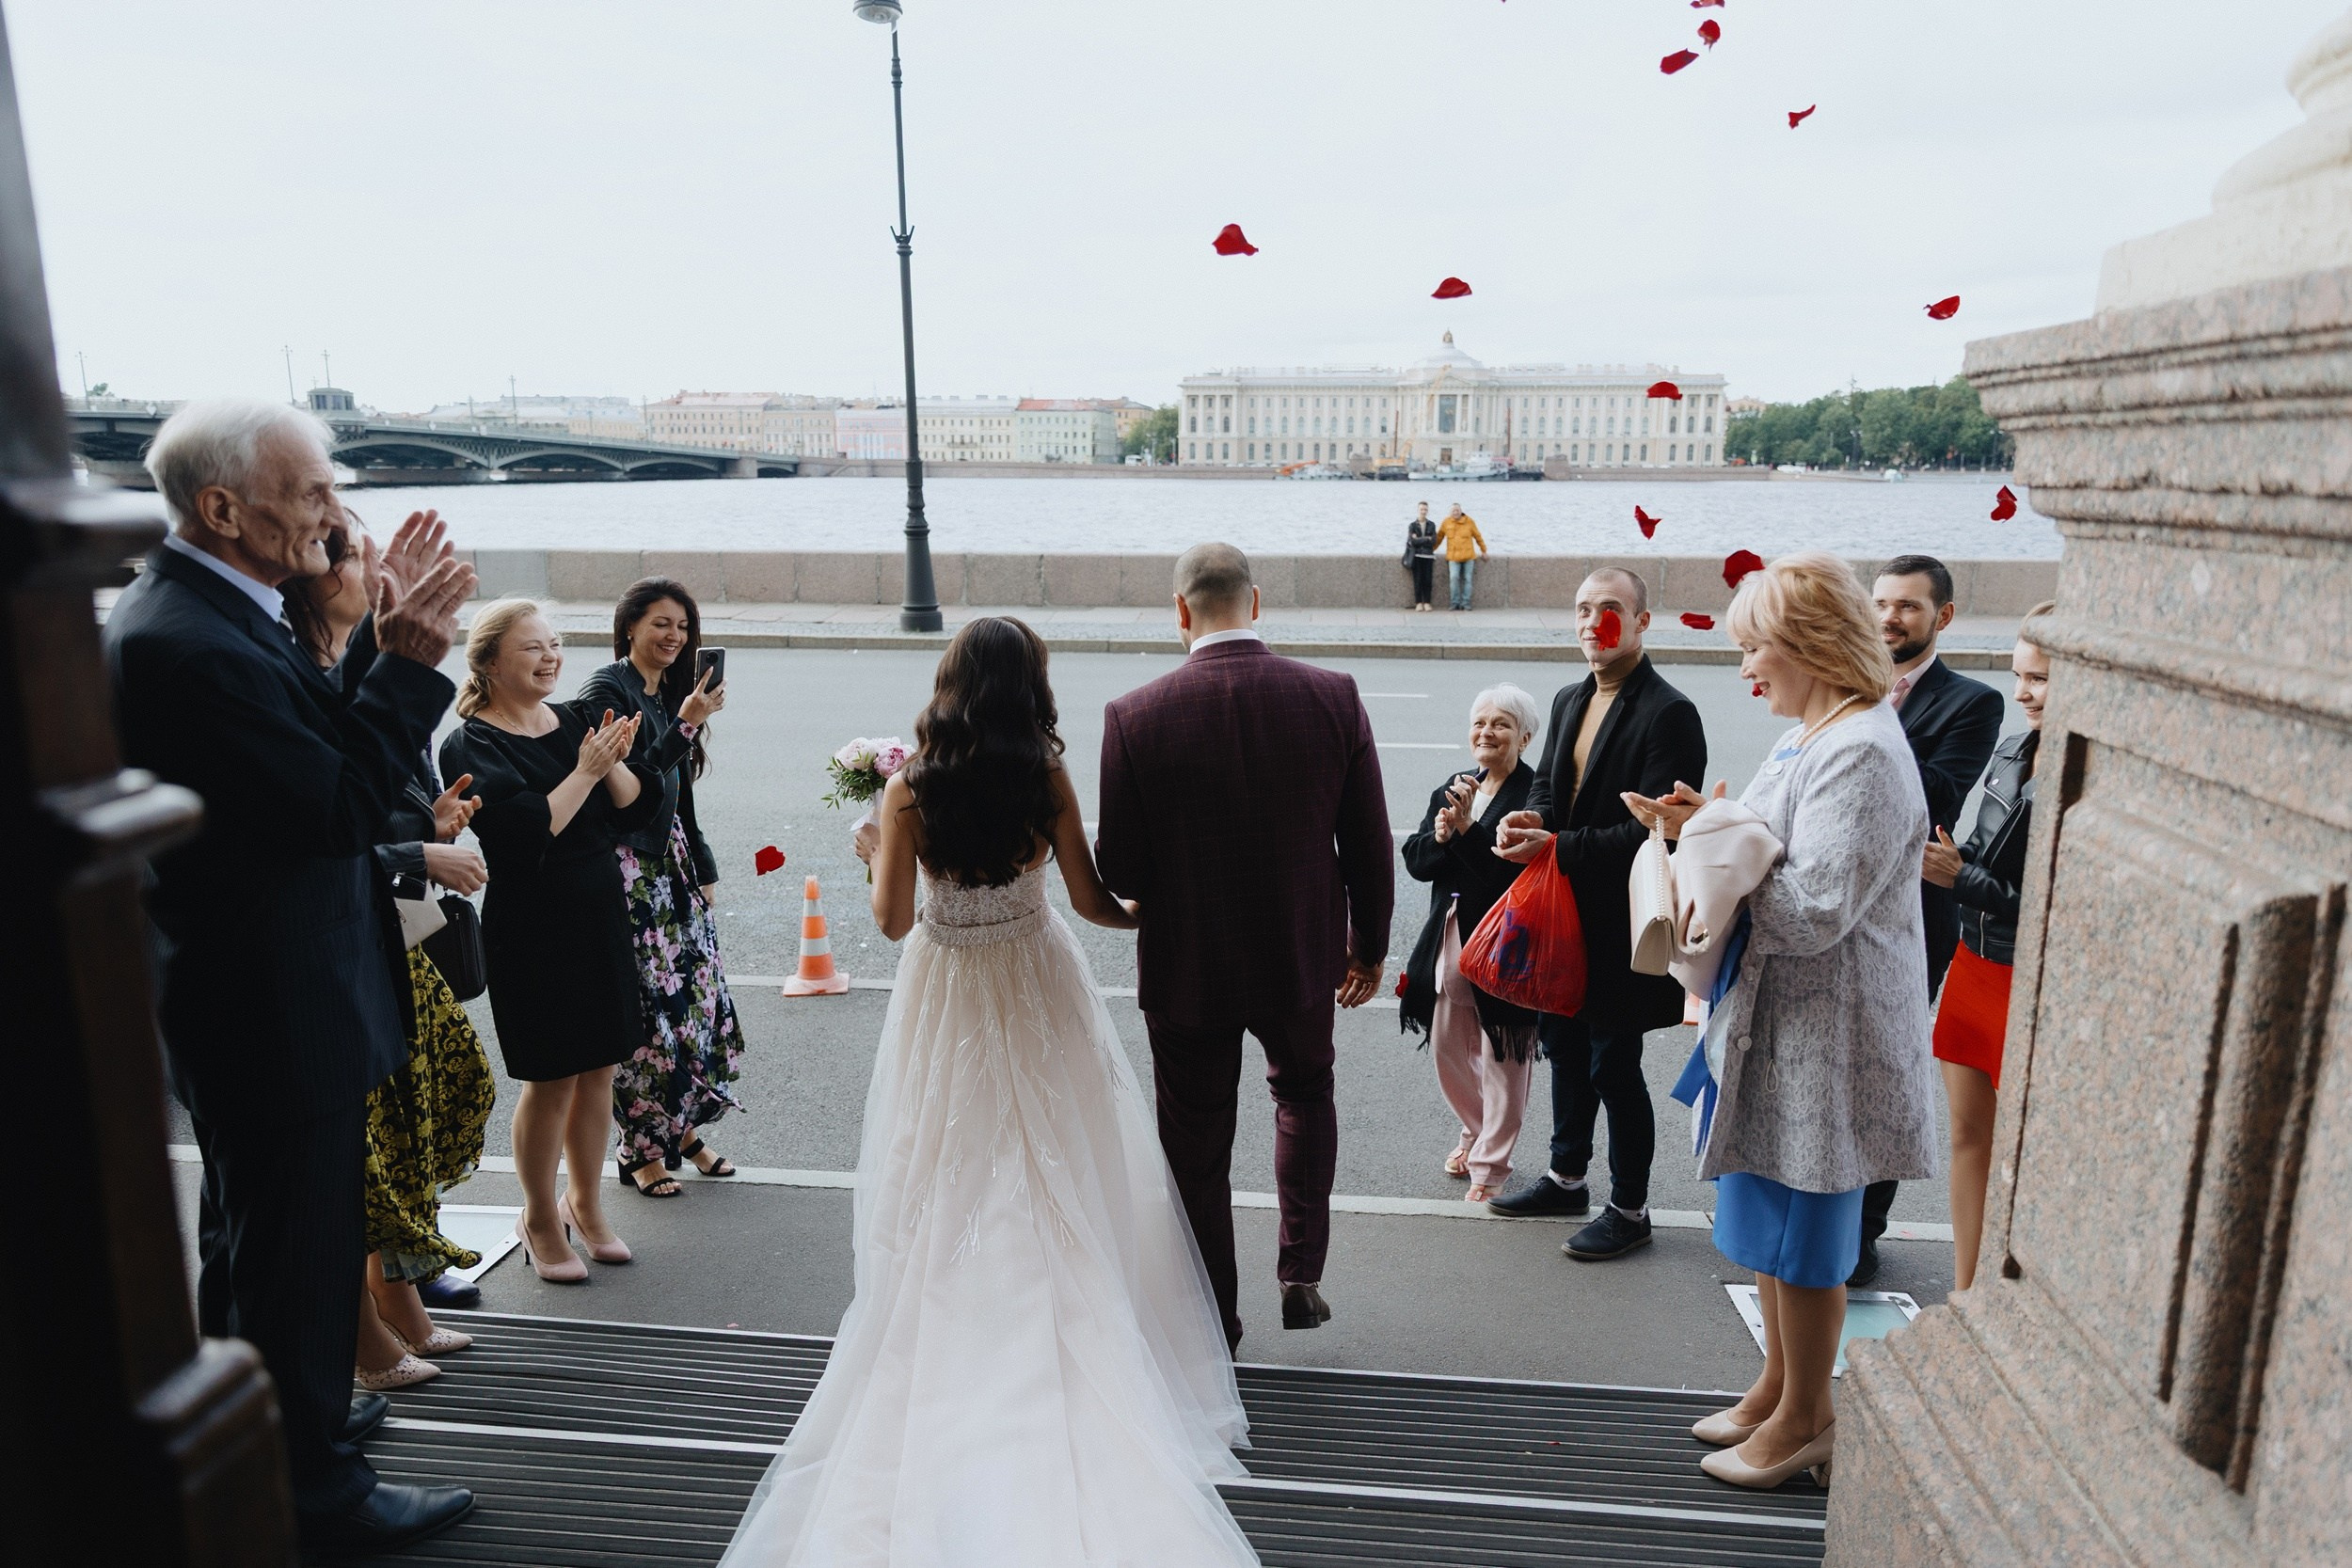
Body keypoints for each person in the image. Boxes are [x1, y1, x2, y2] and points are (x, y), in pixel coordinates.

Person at [733, 618, 1260, 1567]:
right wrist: (1166, 906)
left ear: (948, 684)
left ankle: (960, 1312)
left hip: (949, 987)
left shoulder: (907, 789)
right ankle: (1070, 1305)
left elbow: (892, 923)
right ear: (1031, 689)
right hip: (1034, 973)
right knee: (1060, 1143)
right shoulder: (1044, 777)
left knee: (949, 1158)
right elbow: (1094, 901)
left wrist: (869, 852)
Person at [102, 400, 477, 1555]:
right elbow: (336, 805)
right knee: (295, 1253)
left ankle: (275, 1428)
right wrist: (410, 663)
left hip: (271, 990)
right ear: (223, 508)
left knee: (257, 1243)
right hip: (271, 1000)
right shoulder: (187, 642)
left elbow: (313, 740)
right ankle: (308, 1493)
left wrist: (370, 638)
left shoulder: (216, 611)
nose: (334, 510)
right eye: (313, 490)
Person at [1627, 551, 1938, 1492]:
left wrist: (1712, 852)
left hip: (1825, 1034)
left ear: (1808, 645)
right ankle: (1779, 1385)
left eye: (1756, 646)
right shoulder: (1819, 730)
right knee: (1769, 1212)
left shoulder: (1858, 749)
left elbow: (1811, 907)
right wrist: (1706, 831)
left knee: (1804, 1234)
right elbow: (1771, 847)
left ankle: (1808, 1415)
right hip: (1787, 1024)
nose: (1746, 667)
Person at [1096, 544, 1393, 1346]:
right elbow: (1368, 838)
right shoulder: (1331, 696)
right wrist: (1367, 947)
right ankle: (1301, 1271)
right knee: (1304, 1095)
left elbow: (1119, 865)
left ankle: (1213, 1320)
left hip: (1187, 962)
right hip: (1300, 953)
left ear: (1181, 610)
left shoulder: (1135, 714)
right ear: (1254, 603)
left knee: (1195, 1145)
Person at [284, 515, 496, 1393]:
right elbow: (308, 830)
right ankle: (367, 1336)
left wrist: (425, 825)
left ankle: (397, 1292)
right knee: (356, 1159)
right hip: (326, 950)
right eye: (366, 558)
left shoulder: (339, 662)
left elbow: (367, 800)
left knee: (433, 1107)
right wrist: (419, 852)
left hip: (376, 936)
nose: (383, 572)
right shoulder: (275, 660)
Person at [1489, 569, 1708, 1262]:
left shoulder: (1669, 711)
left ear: (1643, 622)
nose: (1593, 622)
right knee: (1564, 1050)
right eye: (1583, 609)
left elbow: (1656, 833)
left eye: (1609, 610)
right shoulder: (1569, 697)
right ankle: (1566, 1175)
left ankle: (1631, 1207)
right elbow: (1555, 792)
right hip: (1566, 917)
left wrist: (1558, 842)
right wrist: (1532, 820)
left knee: (1615, 1063)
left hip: (1624, 922)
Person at [438, 601, 659, 1284]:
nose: (550, 656)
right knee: (552, 1075)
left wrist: (612, 761)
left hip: (598, 909)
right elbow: (523, 832)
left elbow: (640, 806)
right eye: (532, 646)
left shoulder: (576, 719)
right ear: (491, 662)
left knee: (600, 1068)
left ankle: (587, 1205)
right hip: (532, 922)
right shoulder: (471, 741)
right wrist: (588, 769)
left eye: (555, 643)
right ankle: (538, 1216)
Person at [1852, 554, 2005, 1285]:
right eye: (1881, 603)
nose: (1889, 618)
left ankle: (1864, 1227)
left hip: (1915, 916)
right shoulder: (1845, 680)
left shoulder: (1972, 702)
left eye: (1908, 606)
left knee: (1887, 1068)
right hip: (1838, 902)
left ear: (1941, 617)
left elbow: (1934, 794)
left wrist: (1866, 709)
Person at [576, 578, 746, 1197]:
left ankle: (679, 1129)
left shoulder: (665, 691)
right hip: (627, 870)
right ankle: (640, 1148)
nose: (674, 637)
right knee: (647, 1018)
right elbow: (630, 787)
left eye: (682, 626)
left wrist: (702, 866)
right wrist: (683, 724)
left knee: (697, 1006)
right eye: (660, 624)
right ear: (628, 628)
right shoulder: (606, 690)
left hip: (670, 863)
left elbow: (679, 795)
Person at [1921, 603, 2051, 1292]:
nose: (2023, 692)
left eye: (2041, 679)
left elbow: (2058, 908)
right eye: (2019, 674)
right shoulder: (2013, 748)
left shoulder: (2085, 767)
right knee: (1968, 1137)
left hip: (2025, 978)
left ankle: (2009, 1291)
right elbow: (1982, 851)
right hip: (1975, 964)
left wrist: (1959, 874)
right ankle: (1965, 1288)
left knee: (2025, 1156)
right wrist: (1947, 857)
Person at [1399, 685, 1544, 1202]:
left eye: (1501, 724)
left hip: (1507, 941)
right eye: (1480, 722)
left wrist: (1465, 833)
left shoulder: (1533, 795)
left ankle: (1492, 1165)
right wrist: (1441, 837)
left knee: (1505, 1052)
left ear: (1524, 737)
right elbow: (1416, 862)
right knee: (1447, 1046)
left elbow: (1508, 876)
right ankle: (1476, 1129)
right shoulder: (1457, 786)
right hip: (1450, 937)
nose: (1487, 732)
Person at [1437, 502, 1487, 610]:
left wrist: (1483, 550)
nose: (1455, 512)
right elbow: (1439, 538)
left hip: (1468, 557)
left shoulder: (1469, 521)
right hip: (1453, 557)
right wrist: (1430, 550)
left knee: (1468, 579)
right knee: (1454, 578)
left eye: (1457, 510)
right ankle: (1454, 603)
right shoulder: (1446, 523)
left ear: (1461, 511)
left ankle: (1466, 603)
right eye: (1453, 511)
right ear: (1450, 512)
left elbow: (1478, 536)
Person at [1404, 501, 1438, 611]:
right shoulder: (1412, 525)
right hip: (1416, 556)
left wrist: (1419, 539)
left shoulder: (1432, 525)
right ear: (1418, 510)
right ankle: (1418, 602)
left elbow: (1433, 541)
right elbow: (1412, 541)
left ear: (1427, 511)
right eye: (1421, 509)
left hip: (1428, 557)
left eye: (1425, 510)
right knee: (1417, 580)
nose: (1423, 512)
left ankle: (1427, 602)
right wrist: (1425, 539)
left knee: (1428, 580)